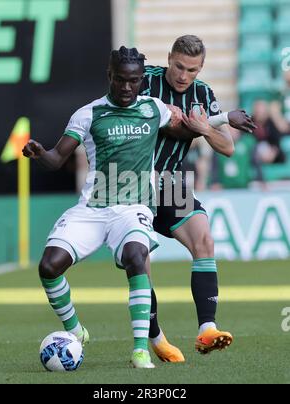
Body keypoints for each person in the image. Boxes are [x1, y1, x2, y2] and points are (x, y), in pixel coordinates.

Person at [22, 46, 197, 369]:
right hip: (92, 208)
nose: (127, 88)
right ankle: (76, 331)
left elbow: (186, 129)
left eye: (133, 81)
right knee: (48, 267)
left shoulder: (154, 109)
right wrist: (38, 153)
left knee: (136, 256)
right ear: (109, 77)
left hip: (133, 208)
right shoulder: (88, 114)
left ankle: (141, 349)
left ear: (142, 80)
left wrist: (221, 121)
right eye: (120, 80)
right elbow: (56, 159)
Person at [139, 35, 257, 361]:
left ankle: (207, 329)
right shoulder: (143, 81)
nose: (183, 75)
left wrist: (206, 128)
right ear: (169, 59)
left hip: (172, 183)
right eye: (178, 66)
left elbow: (228, 147)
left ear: (200, 68)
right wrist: (197, 123)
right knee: (140, 260)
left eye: (191, 69)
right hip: (130, 182)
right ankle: (156, 338)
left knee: (204, 239)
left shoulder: (202, 93)